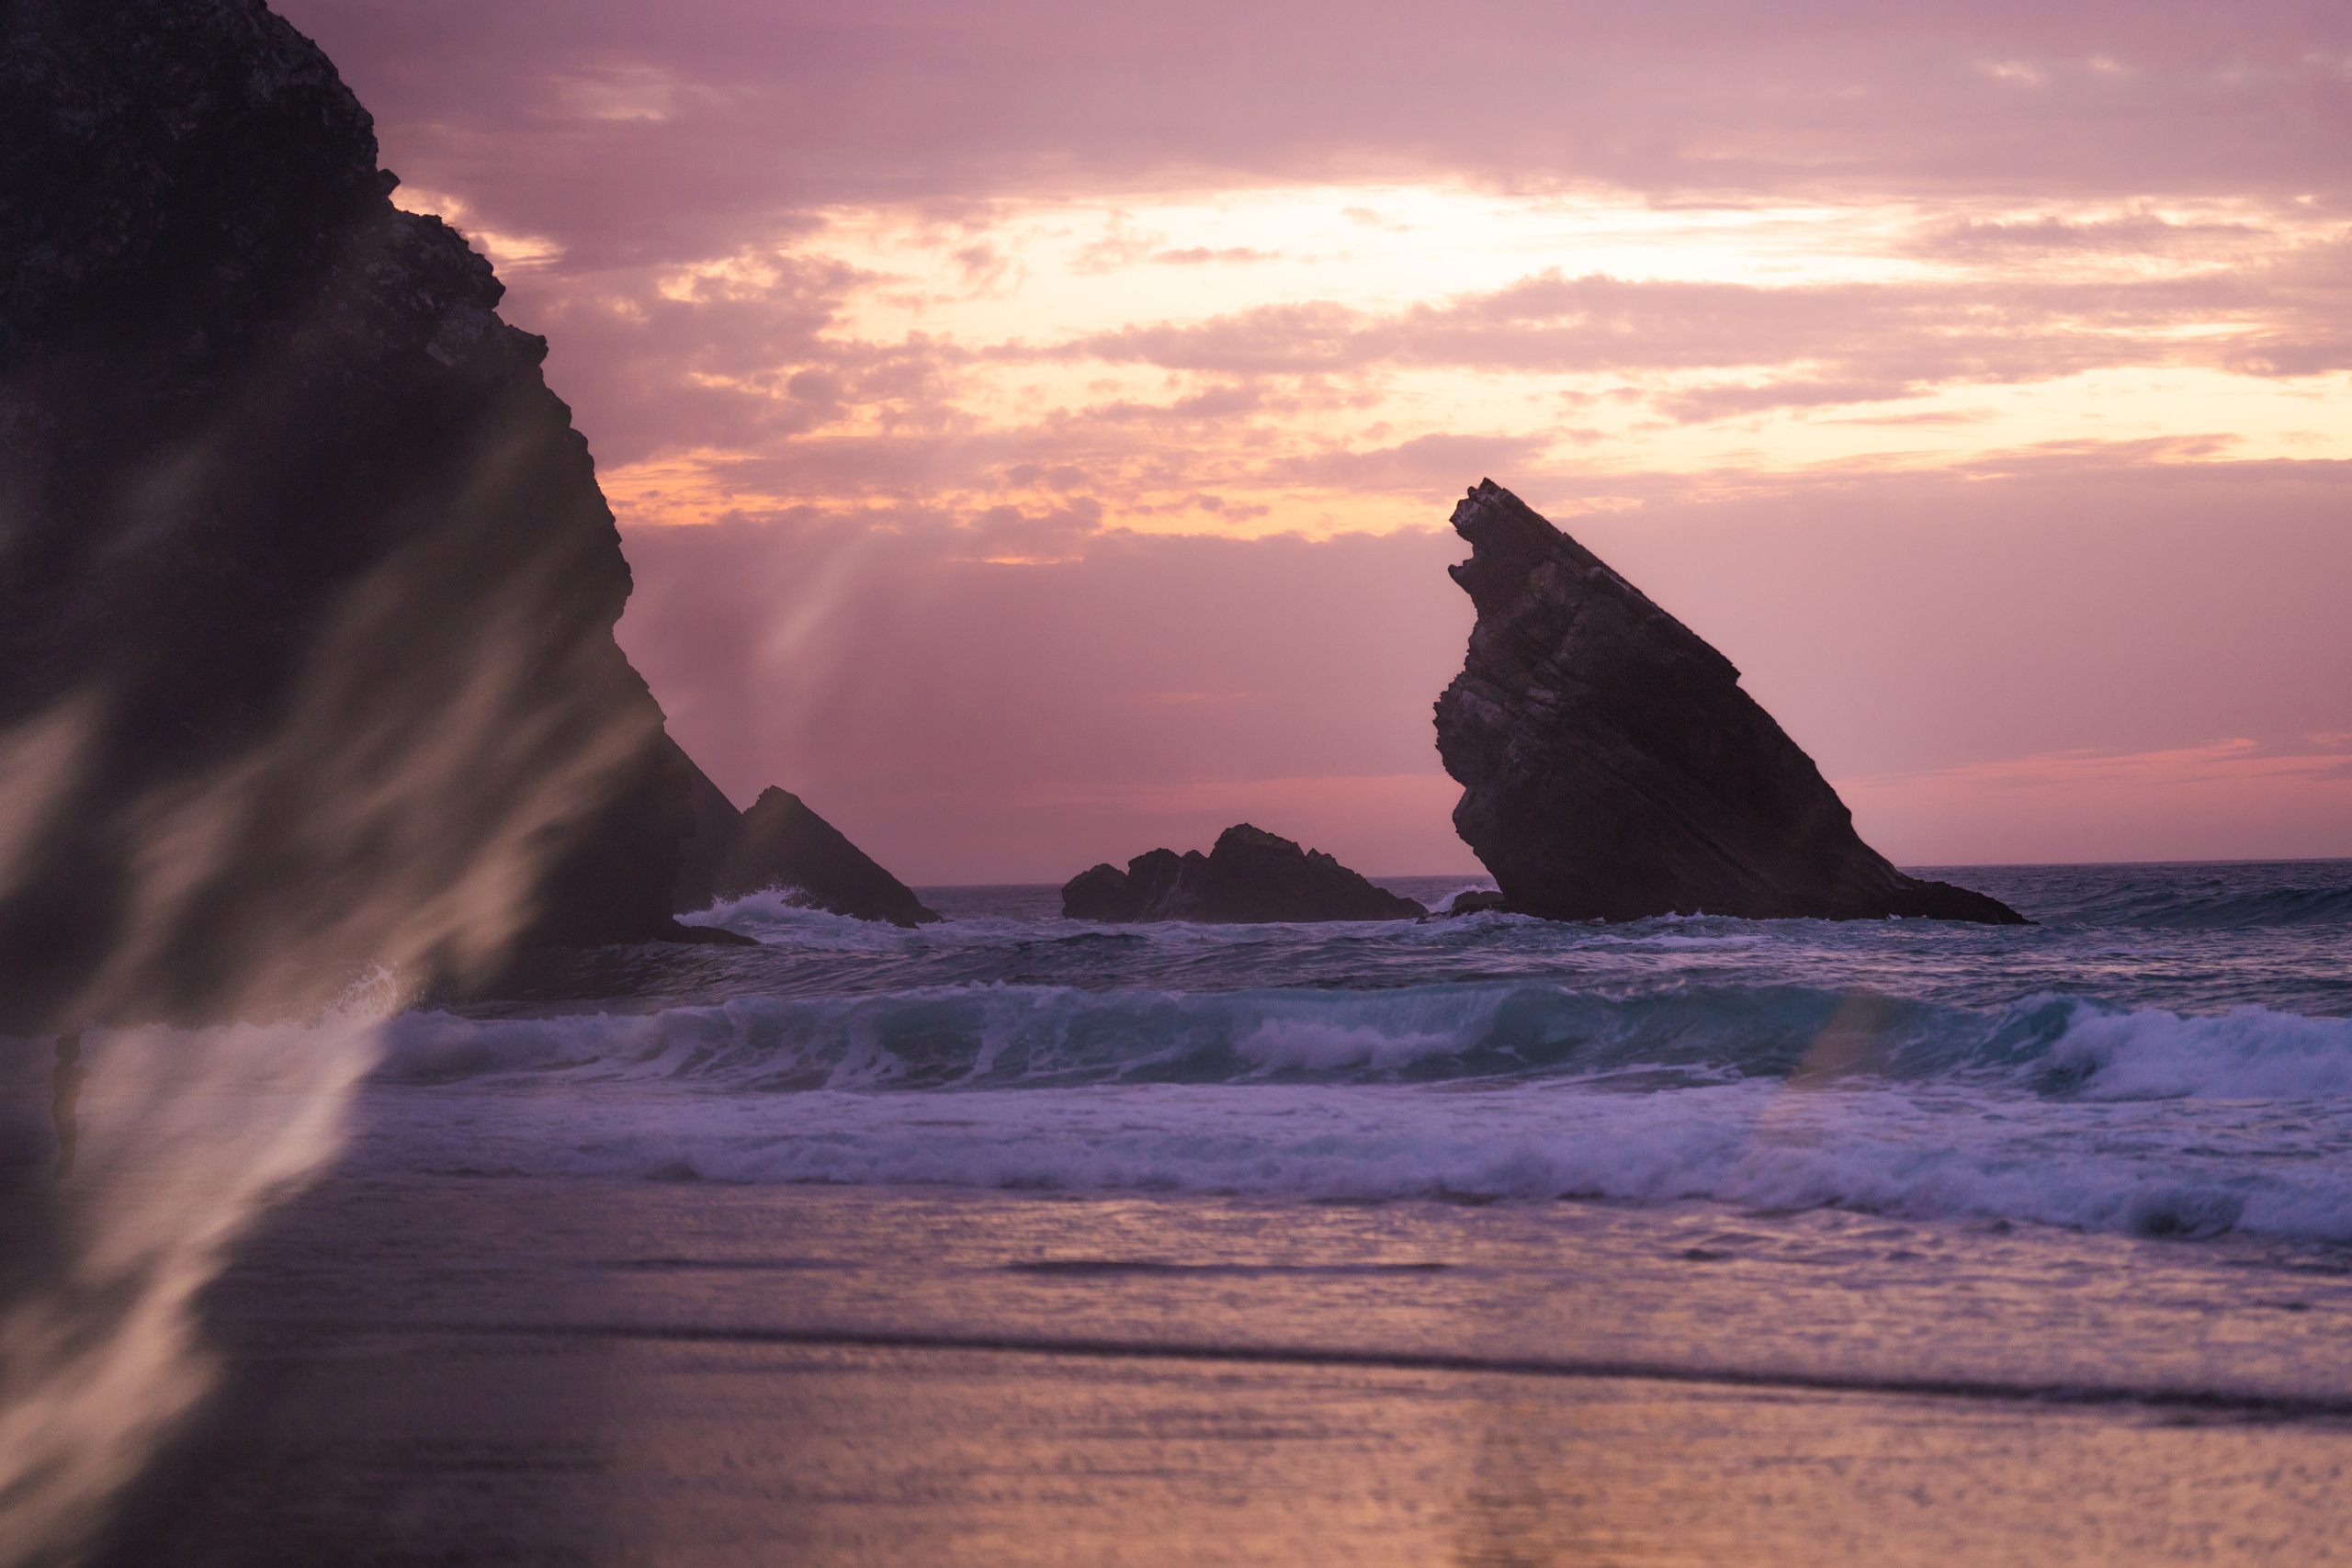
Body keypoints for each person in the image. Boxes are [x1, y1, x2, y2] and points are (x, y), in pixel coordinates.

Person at [51, 1031, 85, 1180]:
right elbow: (68, 1091)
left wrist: (78, 1076)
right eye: (75, 1049)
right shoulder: (65, 1070)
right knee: (69, 1146)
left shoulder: (63, 1069)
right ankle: (63, 1177)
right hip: (64, 1111)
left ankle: (63, 1176)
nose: (78, 1052)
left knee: (69, 1146)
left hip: (64, 1110)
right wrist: (79, 1077)